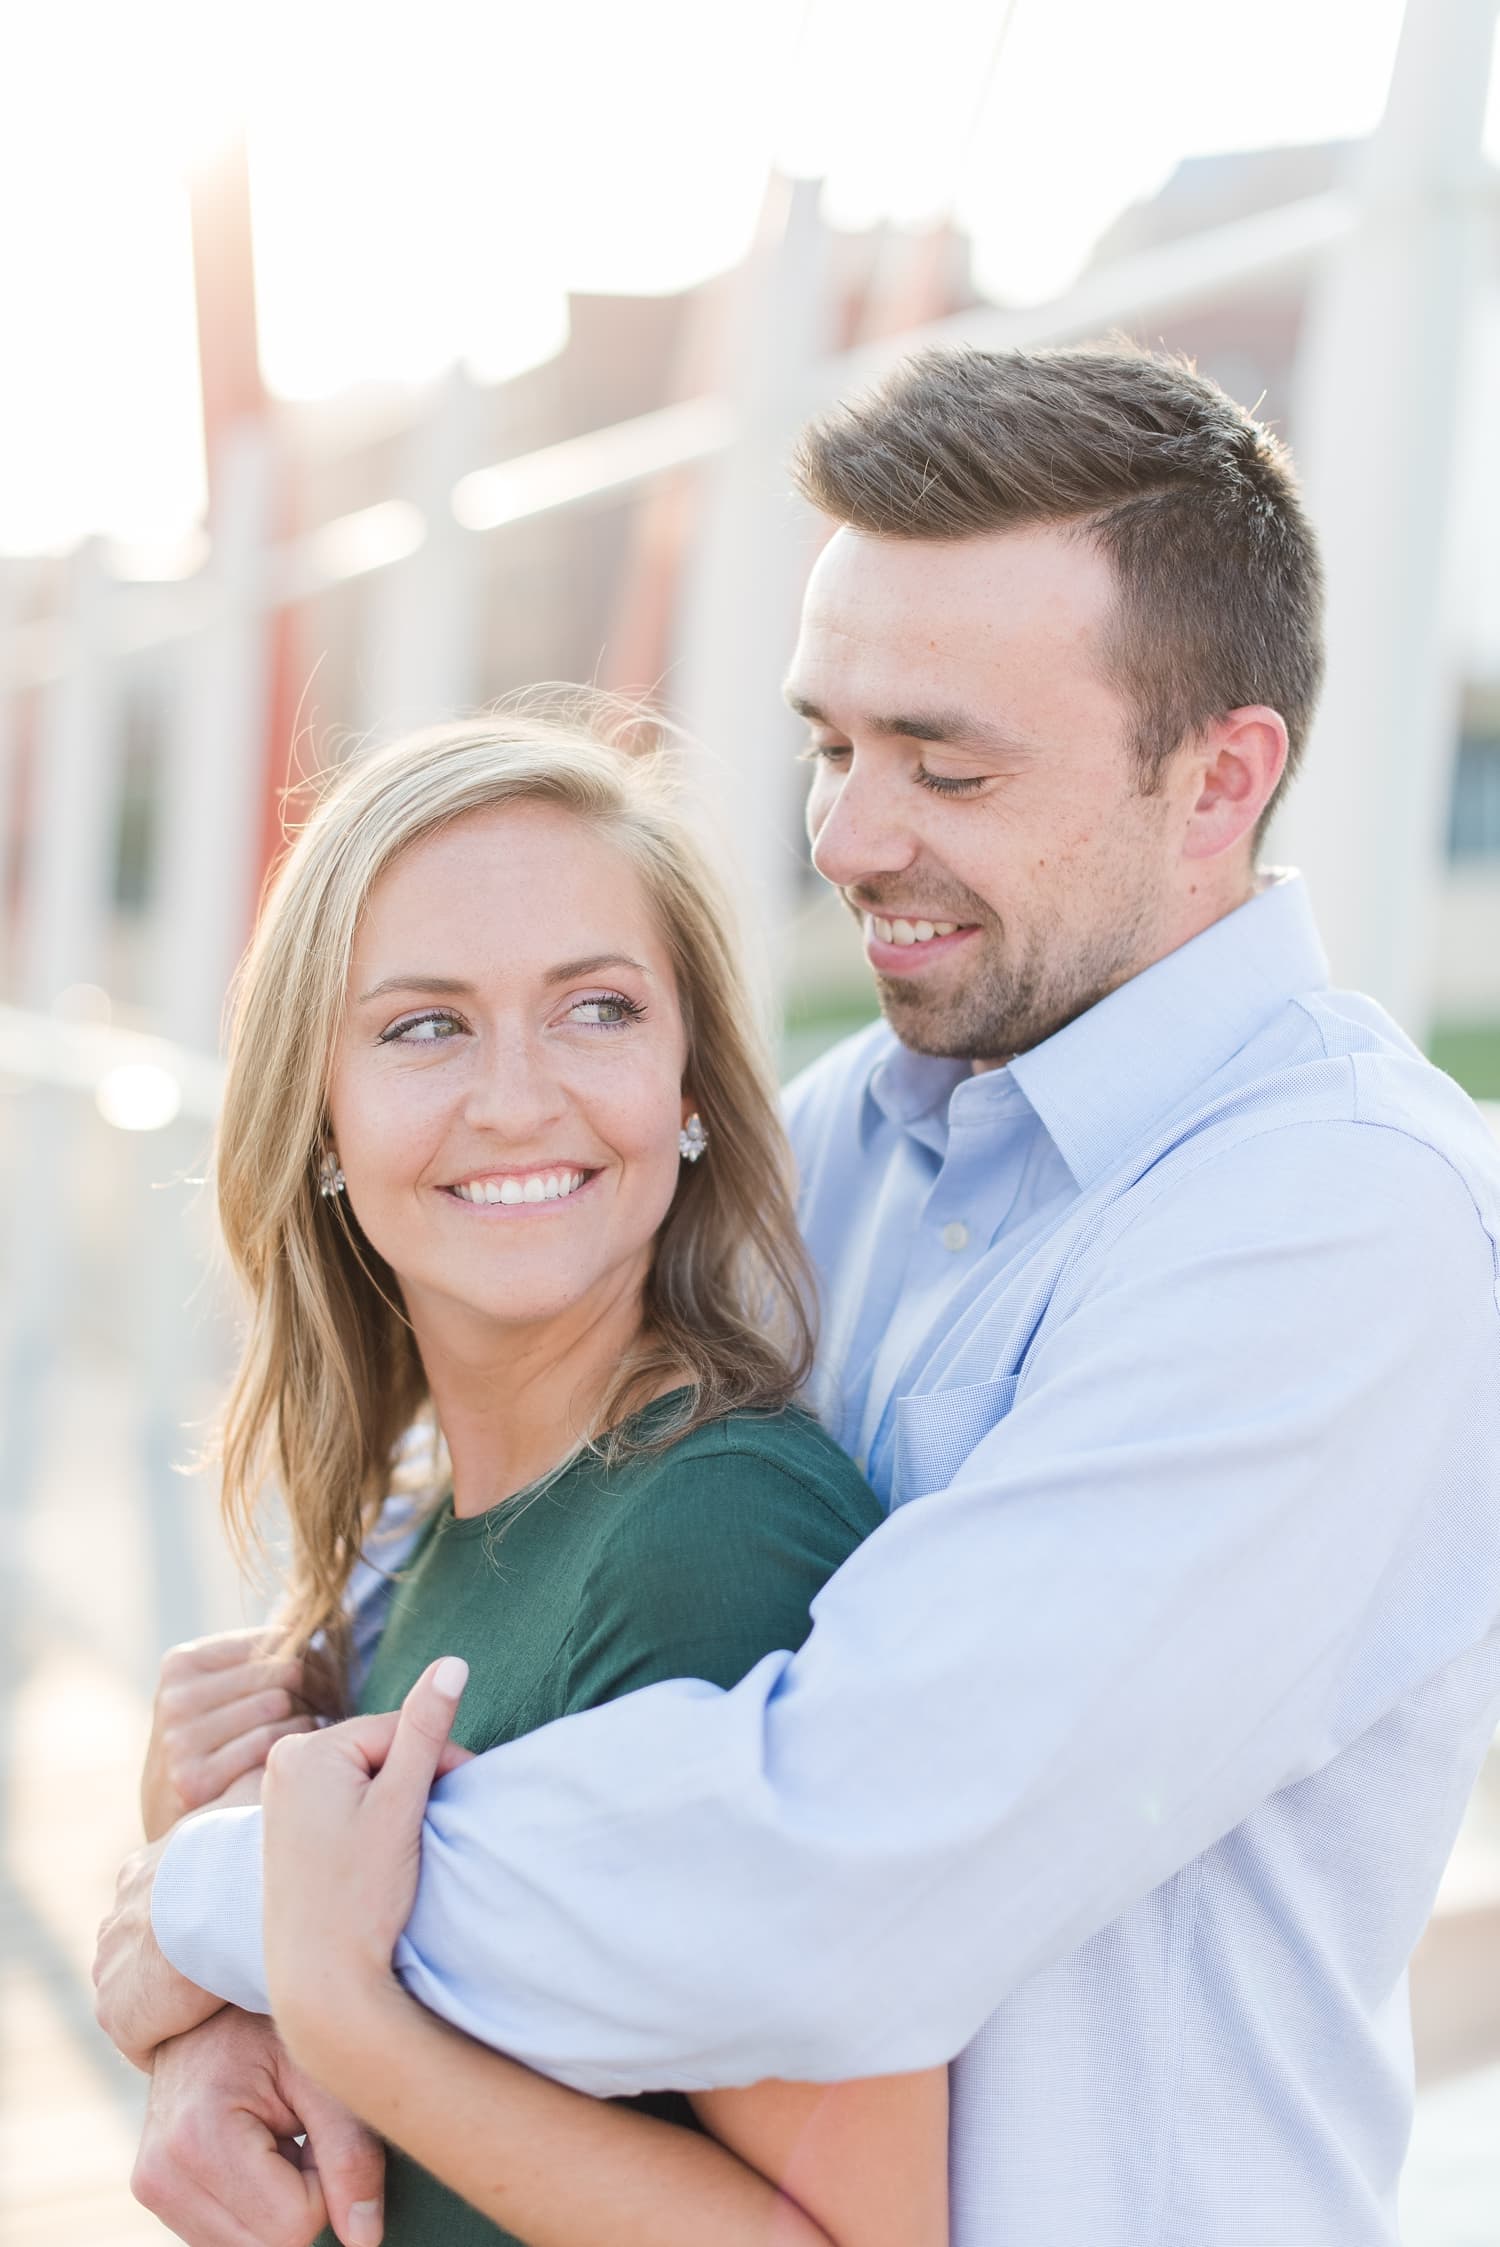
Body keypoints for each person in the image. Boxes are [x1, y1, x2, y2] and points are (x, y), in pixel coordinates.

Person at [97, 345, 1500, 2247]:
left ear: (1219, 778)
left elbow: (835, 1880)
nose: (844, 838)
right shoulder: (855, 1135)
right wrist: (214, 1943)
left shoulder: (1345, 1230)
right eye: (834, 745)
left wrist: (231, 1913)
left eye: (948, 765)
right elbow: (499, 1518)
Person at [98, 704, 948, 2247]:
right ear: (325, 1121)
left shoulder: (711, 1537)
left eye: (599, 1009)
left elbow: (868, 2235)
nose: (517, 1097)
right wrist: (201, 1939)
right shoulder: (411, 1541)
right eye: (425, 1025)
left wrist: (333, 2006)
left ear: (690, 1085)